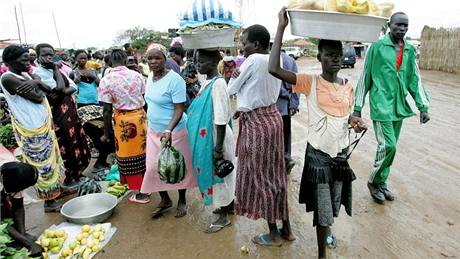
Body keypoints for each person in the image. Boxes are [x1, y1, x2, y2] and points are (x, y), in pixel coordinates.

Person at [268, 7, 367, 258]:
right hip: (319, 157)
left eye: (339, 54)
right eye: (330, 54)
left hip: (341, 155)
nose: (336, 58)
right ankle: (322, 254)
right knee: (323, 209)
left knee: (333, 205)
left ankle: (327, 233)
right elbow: (274, 70)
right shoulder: (309, 82)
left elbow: (345, 118)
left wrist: (355, 122)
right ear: (320, 57)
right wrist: (280, 28)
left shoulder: (348, 86)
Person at [350, 12, 430, 204]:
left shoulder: (409, 50)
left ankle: (381, 182)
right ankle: (373, 182)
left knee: (391, 148)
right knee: (388, 146)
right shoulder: (376, 48)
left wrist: (423, 106)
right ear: (389, 25)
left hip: (398, 107)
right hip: (381, 106)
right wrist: (357, 108)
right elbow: (365, 78)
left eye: (405, 26)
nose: (402, 29)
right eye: (398, 25)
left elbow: (414, 80)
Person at [227, 24, 293, 247]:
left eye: (244, 42)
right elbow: (257, 91)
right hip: (273, 118)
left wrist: (233, 75)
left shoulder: (253, 60)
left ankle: (273, 234)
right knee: (276, 175)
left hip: (257, 125)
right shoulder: (277, 60)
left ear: (255, 44)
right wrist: (243, 108)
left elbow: (231, 89)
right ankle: (287, 228)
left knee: (261, 178)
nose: (242, 47)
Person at [0, 45, 65, 212]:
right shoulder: (8, 78)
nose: (28, 62)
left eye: (28, 58)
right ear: (10, 61)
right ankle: (49, 202)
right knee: (41, 163)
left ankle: (57, 190)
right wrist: (36, 82)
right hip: (31, 127)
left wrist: (34, 81)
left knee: (52, 160)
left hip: (42, 124)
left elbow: (49, 90)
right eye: (24, 59)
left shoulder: (24, 74)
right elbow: (38, 97)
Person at [140, 43, 196, 218]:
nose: (153, 61)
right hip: (154, 131)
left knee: (177, 168)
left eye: (157, 58)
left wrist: (168, 130)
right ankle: (165, 199)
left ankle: (182, 200)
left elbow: (179, 109)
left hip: (174, 131)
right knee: (152, 168)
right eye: (150, 58)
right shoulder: (149, 78)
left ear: (165, 59)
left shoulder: (175, 80)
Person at [187, 49, 236, 233]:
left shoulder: (218, 84)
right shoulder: (207, 82)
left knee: (220, 174)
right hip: (210, 137)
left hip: (217, 138)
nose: (199, 63)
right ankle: (228, 206)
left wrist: (217, 149)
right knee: (221, 174)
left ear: (216, 60)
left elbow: (221, 118)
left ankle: (223, 217)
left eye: (204, 60)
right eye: (197, 60)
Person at [34, 43, 91, 186]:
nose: (48, 57)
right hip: (57, 115)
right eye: (44, 55)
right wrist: (55, 72)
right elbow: (58, 88)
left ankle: (79, 173)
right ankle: (69, 178)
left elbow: (73, 86)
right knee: (64, 144)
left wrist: (62, 91)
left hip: (70, 113)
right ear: (38, 56)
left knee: (76, 140)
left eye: (50, 54)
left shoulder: (60, 71)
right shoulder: (38, 73)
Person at [99, 49, 149, 203]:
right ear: (126, 61)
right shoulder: (137, 75)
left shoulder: (106, 80)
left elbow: (107, 110)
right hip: (140, 117)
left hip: (123, 121)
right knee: (145, 153)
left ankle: (142, 193)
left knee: (129, 156)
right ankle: (149, 186)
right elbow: (145, 99)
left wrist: (106, 133)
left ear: (109, 62)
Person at [0, 153, 44, 257]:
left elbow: (18, 206)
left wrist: (22, 235)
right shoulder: (8, 177)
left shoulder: (13, 168)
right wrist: (27, 244)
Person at [276, 50, 299, 174]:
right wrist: (294, 104)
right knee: (285, 136)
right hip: (284, 106)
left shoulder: (265, 59)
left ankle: (277, 163)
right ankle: (286, 159)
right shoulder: (290, 61)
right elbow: (296, 83)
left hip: (268, 106)